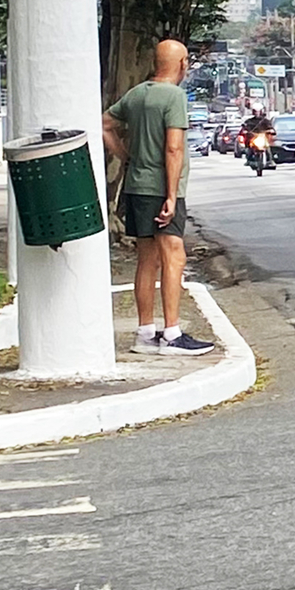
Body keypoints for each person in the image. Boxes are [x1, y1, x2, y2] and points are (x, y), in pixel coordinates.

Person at [101, 39, 214, 355]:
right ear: (182, 64)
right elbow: (174, 147)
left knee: (147, 260)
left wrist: (126, 157)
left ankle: (146, 333)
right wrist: (171, 195)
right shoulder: (174, 96)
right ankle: (172, 334)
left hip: (137, 186)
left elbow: (105, 125)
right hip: (161, 188)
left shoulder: (137, 94)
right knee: (174, 256)